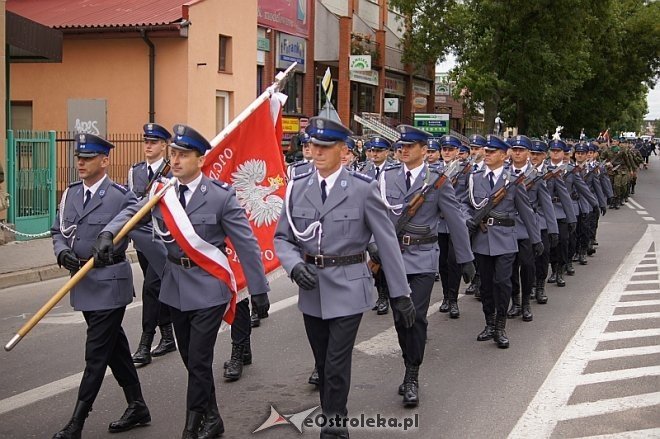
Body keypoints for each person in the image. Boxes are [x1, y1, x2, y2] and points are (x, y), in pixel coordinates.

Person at [94, 124, 271, 438]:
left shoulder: (220, 196)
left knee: (200, 358)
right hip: (175, 285)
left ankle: (191, 427)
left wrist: (258, 291)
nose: (175, 160)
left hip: (209, 285)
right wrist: (109, 232)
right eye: (173, 154)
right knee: (191, 360)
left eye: (183, 155)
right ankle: (213, 418)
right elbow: (132, 211)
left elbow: (246, 244)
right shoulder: (162, 193)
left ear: (200, 159)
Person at [274, 117, 415, 439]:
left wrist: (401, 293)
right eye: (312, 146)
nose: (317, 152)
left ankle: (334, 429)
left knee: (336, 363)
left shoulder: (362, 189)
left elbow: (387, 243)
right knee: (323, 365)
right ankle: (332, 417)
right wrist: (295, 266)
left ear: (342, 149)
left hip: (350, 285)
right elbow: (283, 237)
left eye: (325, 147)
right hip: (312, 288)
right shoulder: (298, 185)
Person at [51, 133, 152, 438]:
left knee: (95, 354)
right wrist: (62, 252)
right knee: (114, 349)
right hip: (82, 284)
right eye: (78, 158)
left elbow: (137, 210)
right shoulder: (70, 194)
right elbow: (57, 230)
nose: (80, 162)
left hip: (110, 284)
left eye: (88, 158)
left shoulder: (120, 195)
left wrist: (109, 233)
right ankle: (137, 406)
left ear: (104, 161)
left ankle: (76, 423)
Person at [379, 125, 475, 405]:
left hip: (422, 258)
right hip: (393, 258)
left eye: (411, 146)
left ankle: (412, 374)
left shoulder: (438, 181)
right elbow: (374, 215)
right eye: (401, 146)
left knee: (416, 317)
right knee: (400, 318)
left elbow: (455, 220)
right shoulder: (387, 177)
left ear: (424, 150)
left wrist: (466, 258)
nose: (404, 150)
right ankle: (408, 359)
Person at [466, 135, 542, 349]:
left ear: (502, 155)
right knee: (487, 285)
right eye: (486, 152)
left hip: (506, 238)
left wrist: (536, 239)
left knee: (503, 282)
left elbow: (526, 211)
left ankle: (501, 326)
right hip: (482, 238)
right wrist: (467, 219)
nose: (486, 155)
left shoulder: (513, 180)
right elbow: (463, 203)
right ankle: (489, 323)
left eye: (491, 152)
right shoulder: (475, 177)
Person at [127, 123, 176, 366]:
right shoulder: (134, 172)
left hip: (163, 242)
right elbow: (129, 204)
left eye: (153, 142)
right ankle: (168, 336)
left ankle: (146, 342)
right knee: (158, 287)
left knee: (151, 288)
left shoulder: (171, 173)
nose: (148, 146)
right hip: (142, 241)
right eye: (146, 141)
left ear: (164, 145)